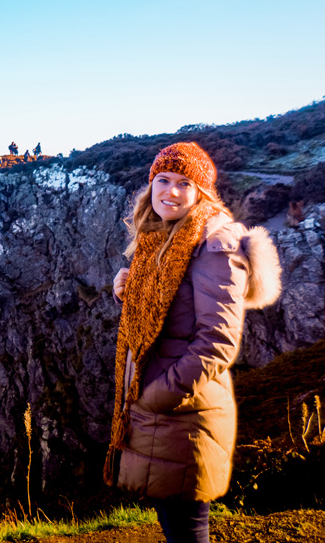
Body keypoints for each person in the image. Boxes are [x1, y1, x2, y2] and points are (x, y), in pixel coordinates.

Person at [104, 142, 283, 543]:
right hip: (164, 418)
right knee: (177, 528)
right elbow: (171, 308)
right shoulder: (165, 236)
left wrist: (156, 397)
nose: (170, 191)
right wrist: (128, 290)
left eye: (184, 183)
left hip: (183, 416)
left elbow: (217, 342)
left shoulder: (212, 244)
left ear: (202, 192)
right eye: (162, 180)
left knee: (187, 532)